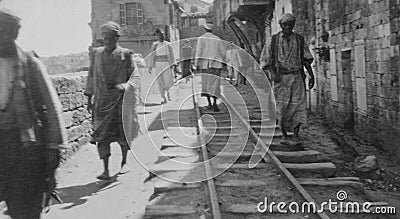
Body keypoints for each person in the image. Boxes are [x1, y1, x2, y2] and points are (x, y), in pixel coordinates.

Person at [0, 8, 67, 218]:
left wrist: (53, 151)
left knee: (25, 210)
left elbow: (53, 108)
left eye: (6, 31)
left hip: (25, 151)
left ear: (14, 34)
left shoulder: (31, 64)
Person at [85, 21, 139, 180]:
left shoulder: (126, 55)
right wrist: (89, 97)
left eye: (110, 37)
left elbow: (135, 79)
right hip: (102, 103)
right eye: (105, 37)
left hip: (120, 103)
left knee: (122, 134)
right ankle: (106, 170)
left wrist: (122, 87)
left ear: (117, 38)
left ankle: (124, 163)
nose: (107, 41)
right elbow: (91, 76)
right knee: (102, 136)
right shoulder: (97, 55)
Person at [260, 13, 315, 146]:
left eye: (291, 24)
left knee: (298, 106)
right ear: (281, 25)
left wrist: (311, 75)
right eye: (285, 24)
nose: (288, 27)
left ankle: (296, 135)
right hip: (281, 79)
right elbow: (265, 60)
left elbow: (306, 59)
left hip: (297, 77)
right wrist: (273, 74)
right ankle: (284, 135)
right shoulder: (273, 41)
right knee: (282, 107)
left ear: (293, 25)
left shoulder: (300, 40)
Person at [194, 22, 225, 112]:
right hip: (216, 65)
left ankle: (209, 104)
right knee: (215, 85)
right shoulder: (217, 39)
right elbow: (222, 52)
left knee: (206, 84)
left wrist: (196, 64)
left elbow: (198, 52)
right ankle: (215, 103)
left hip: (205, 65)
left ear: (205, 29)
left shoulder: (201, 38)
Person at [149, 28, 175, 104]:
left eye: (162, 34)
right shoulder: (154, 45)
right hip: (158, 64)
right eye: (159, 35)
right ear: (157, 36)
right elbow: (152, 56)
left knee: (168, 80)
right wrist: (150, 66)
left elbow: (171, 55)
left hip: (166, 63)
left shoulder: (168, 44)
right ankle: (163, 98)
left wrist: (172, 64)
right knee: (160, 81)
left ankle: (169, 95)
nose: (161, 36)